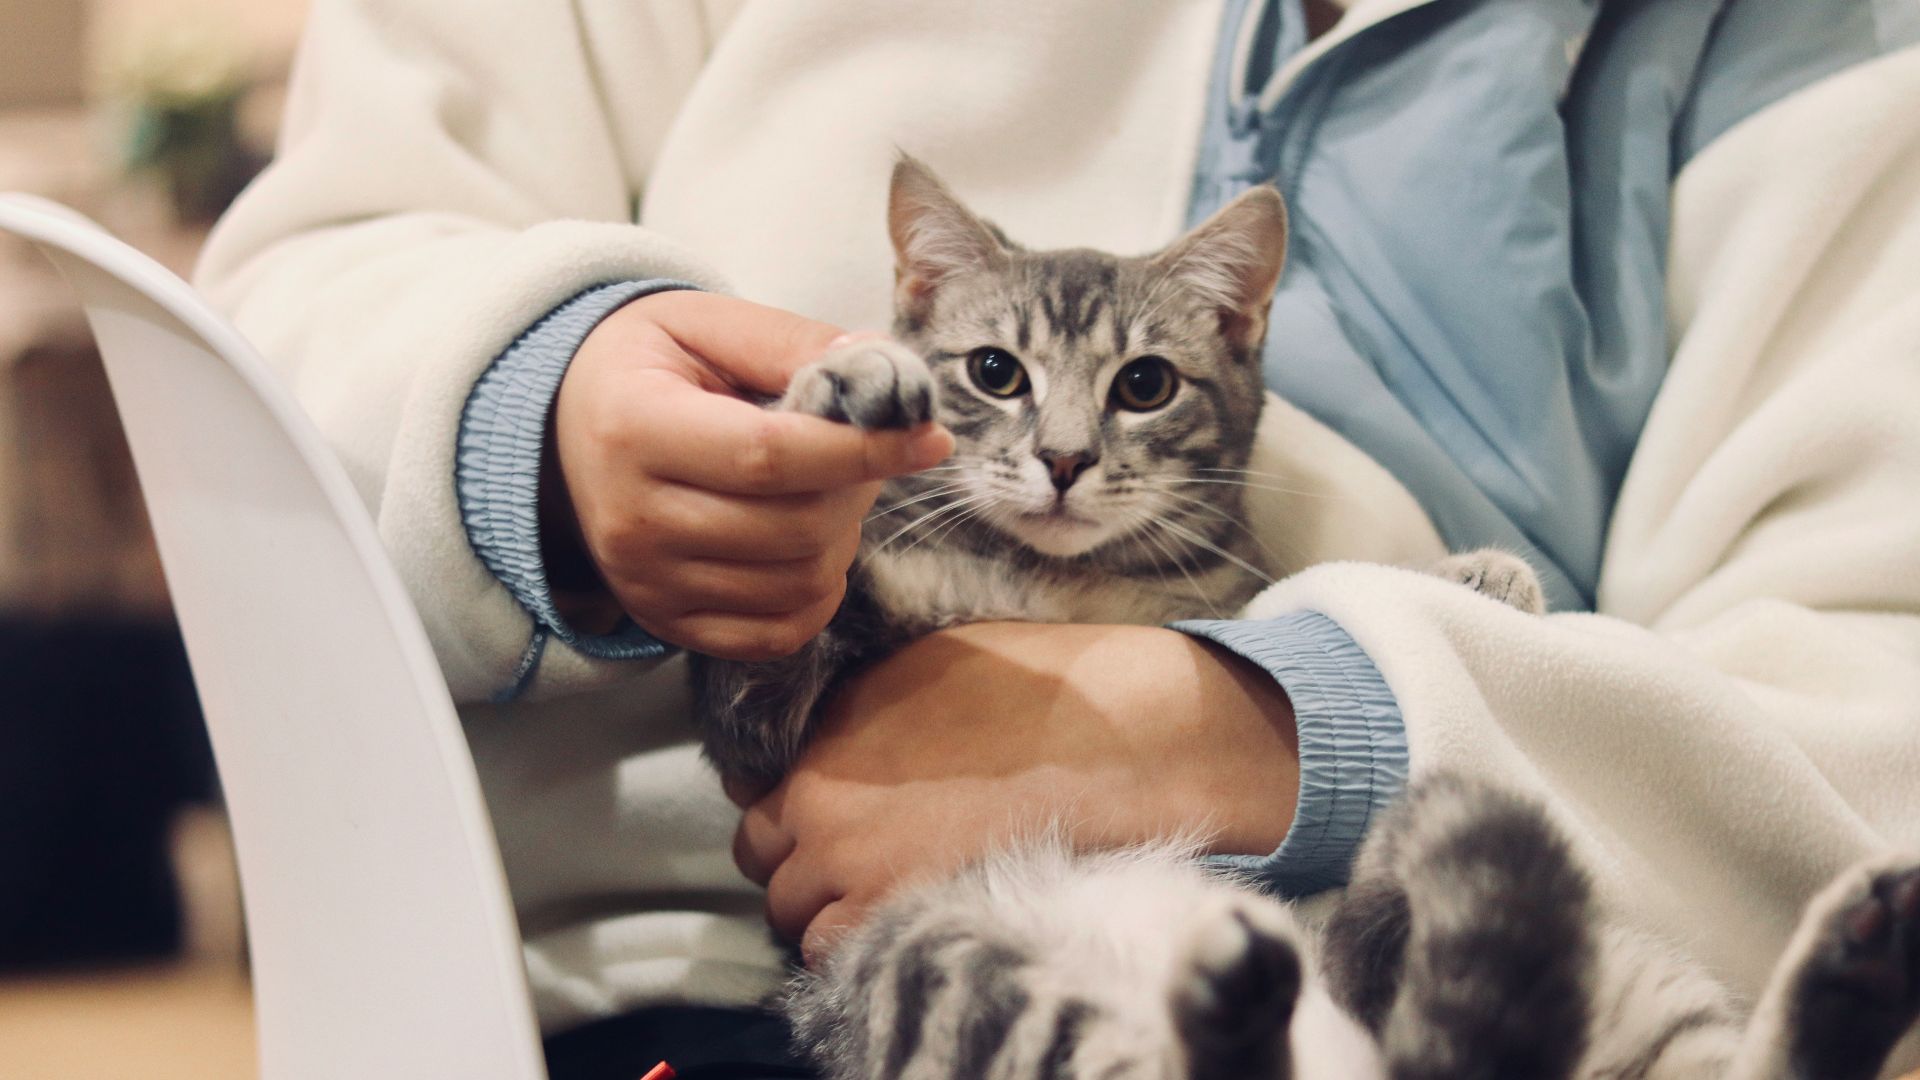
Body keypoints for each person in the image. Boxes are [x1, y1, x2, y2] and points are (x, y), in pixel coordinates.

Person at [198, 0, 1920, 1075]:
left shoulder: (1824, 47)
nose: (1073, 446)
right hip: (688, 973)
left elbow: (1873, 693)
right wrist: (550, 407)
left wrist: (1284, 722)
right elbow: (286, 307)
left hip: (1441, 957)